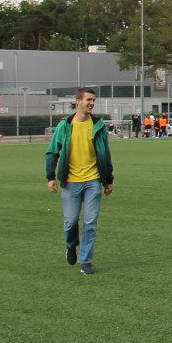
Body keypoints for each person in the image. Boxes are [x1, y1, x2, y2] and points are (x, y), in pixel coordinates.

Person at [45, 87, 114, 275]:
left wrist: (108, 179)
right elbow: (52, 151)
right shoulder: (65, 126)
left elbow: (105, 155)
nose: (91, 103)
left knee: (90, 222)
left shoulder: (98, 126)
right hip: (71, 182)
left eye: (93, 100)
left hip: (93, 181)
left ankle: (86, 261)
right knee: (71, 222)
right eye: (88, 100)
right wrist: (51, 177)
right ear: (78, 102)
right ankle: (71, 246)